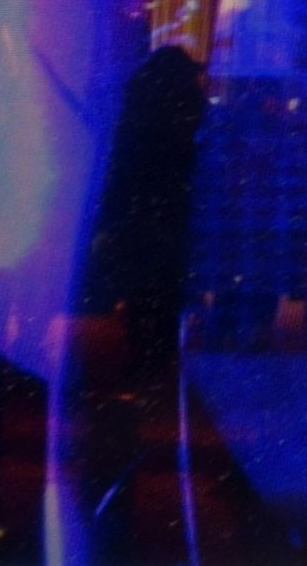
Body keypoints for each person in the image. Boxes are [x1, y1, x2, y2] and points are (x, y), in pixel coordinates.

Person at [86, 45, 209, 376]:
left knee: (142, 289)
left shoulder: (136, 110)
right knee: (165, 288)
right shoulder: (187, 110)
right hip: (172, 213)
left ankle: (144, 355)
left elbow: (119, 167)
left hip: (139, 214)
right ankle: (159, 358)